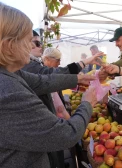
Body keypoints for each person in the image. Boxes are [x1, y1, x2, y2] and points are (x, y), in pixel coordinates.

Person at [0, 3, 98, 167]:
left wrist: (77, 79)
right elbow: (66, 135)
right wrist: (87, 104)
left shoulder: (10, 73)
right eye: (28, 40)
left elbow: (43, 81)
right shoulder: (9, 93)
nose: (32, 46)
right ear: (9, 46)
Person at [22, 31, 103, 168]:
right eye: (35, 42)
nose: (40, 46)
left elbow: (48, 79)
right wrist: (86, 104)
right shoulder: (23, 71)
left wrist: (79, 77)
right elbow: (48, 78)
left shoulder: (21, 71)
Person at [42, 47, 70, 120]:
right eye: (57, 60)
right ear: (47, 59)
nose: (59, 63)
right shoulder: (42, 76)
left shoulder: (51, 73)